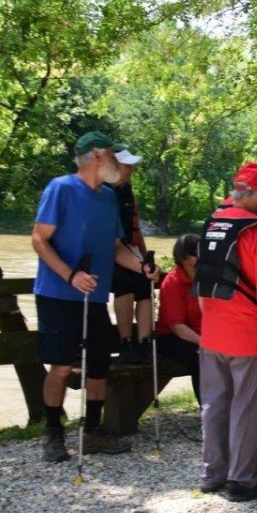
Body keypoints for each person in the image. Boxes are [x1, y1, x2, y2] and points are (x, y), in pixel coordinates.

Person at [32, 130, 160, 462]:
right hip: (57, 295)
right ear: (99, 155)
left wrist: (140, 266)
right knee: (61, 366)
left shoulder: (108, 198)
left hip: (94, 297)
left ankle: (92, 433)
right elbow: (39, 240)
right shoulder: (60, 188)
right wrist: (71, 275)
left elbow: (117, 248)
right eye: (118, 157)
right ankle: (53, 434)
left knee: (99, 366)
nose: (123, 165)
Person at [196, 161, 257, 502]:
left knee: (215, 405)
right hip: (248, 337)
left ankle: (212, 474)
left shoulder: (213, 224)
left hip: (212, 335)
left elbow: (203, 284)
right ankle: (244, 481)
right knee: (250, 409)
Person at [108, 148, 154, 364]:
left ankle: (144, 341)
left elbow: (135, 229)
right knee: (124, 283)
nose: (132, 169)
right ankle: (125, 340)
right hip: (109, 252)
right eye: (127, 165)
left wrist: (145, 259)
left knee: (145, 284)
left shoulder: (129, 193)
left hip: (130, 251)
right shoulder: (103, 192)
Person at [155, 234, 203, 404]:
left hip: (200, 334)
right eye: (199, 251)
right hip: (171, 337)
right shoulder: (172, 282)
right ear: (185, 258)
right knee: (201, 357)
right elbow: (177, 327)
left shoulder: (207, 278)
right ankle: (209, 410)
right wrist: (207, 342)